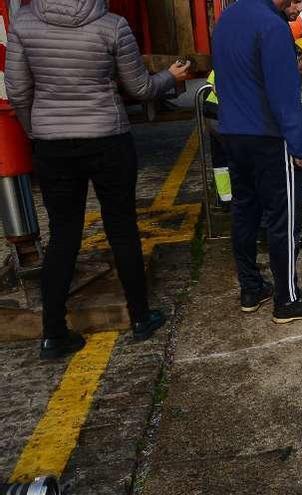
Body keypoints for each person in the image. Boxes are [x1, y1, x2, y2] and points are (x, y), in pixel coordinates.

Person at [5, 0, 189, 359]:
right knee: (121, 227)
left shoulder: (23, 23)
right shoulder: (113, 25)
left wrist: (38, 131)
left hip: (51, 144)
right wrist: (171, 77)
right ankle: (140, 318)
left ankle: (54, 334)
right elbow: (140, 88)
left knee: (63, 234)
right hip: (108, 139)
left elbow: (18, 91)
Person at [212, 0, 302, 322]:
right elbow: (284, 95)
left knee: (244, 212)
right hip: (268, 138)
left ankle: (251, 290)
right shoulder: (273, 27)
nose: (299, 9)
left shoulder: (226, 19)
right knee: (284, 219)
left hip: (232, 134)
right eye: (299, 1)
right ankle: (287, 300)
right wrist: (299, 146)